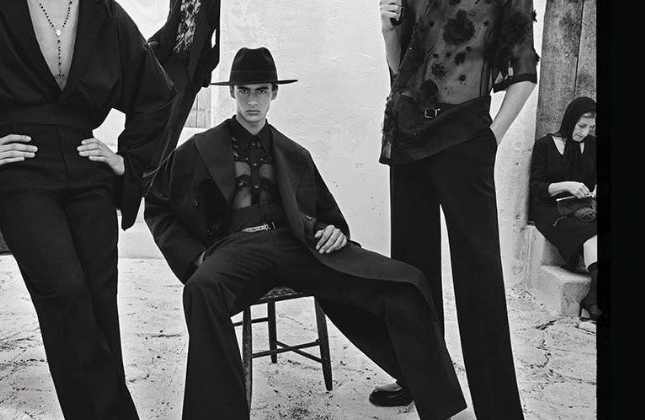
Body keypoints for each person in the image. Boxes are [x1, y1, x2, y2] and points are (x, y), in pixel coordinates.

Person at [144, 46, 467, 420]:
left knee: (407, 281)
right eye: (244, 91)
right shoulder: (199, 149)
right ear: (232, 92)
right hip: (235, 249)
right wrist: (195, 256)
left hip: (296, 244)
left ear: (274, 93)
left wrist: (334, 231)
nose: (253, 101)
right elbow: (157, 203)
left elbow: (327, 217)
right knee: (200, 290)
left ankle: (432, 396)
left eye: (261, 91)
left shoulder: (294, 153)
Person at [0, 0, 175, 418]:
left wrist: (127, 161)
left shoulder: (104, 12)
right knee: (64, 290)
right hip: (20, 170)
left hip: (87, 166)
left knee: (100, 300)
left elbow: (157, 94)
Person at [372, 1, 539, 419]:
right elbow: (401, 71)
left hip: (465, 137)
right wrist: (389, 32)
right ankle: (419, 380)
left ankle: (499, 410)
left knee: (479, 277)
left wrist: (491, 138)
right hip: (409, 134)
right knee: (412, 269)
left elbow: (524, 73)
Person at [529, 97, 599, 320]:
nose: (585, 132)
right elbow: (537, 187)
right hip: (550, 209)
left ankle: (593, 298)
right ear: (570, 121)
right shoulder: (545, 145)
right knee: (588, 232)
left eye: (590, 128)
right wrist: (566, 185)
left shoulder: (593, 146)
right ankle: (593, 301)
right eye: (581, 126)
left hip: (581, 207)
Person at [147, 0, 221, 172]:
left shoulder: (215, 3)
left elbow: (221, 42)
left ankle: (157, 176)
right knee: (155, 120)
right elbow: (171, 23)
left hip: (190, 68)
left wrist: (204, 68)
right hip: (168, 60)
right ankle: (145, 172)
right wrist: (151, 43)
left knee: (172, 126)